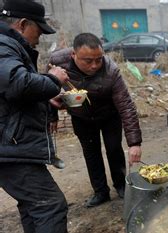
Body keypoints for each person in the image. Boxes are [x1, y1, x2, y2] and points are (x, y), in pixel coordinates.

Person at [0, 0, 100, 233]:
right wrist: (52, 80)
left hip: (12, 143)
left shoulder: (9, 46)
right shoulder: (3, 47)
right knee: (50, 204)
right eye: (37, 31)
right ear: (21, 25)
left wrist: (47, 99)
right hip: (9, 147)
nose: (39, 37)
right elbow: (18, 84)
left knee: (31, 203)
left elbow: (11, 96)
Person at [49, 33, 142, 207]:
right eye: (88, 61)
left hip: (109, 115)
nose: (94, 65)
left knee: (114, 149)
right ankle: (100, 191)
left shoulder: (111, 70)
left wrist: (134, 142)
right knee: (91, 153)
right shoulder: (57, 63)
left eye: (98, 59)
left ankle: (121, 185)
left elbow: (126, 106)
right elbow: (47, 89)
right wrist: (52, 113)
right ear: (73, 56)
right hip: (81, 117)